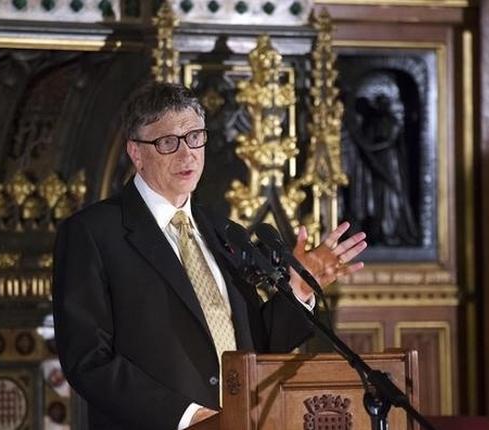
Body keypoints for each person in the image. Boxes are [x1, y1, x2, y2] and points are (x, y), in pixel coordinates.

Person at [52, 82, 367, 430]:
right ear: (136, 153)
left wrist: (299, 291)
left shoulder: (224, 231)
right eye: (167, 142)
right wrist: (188, 417)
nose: (187, 154)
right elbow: (88, 361)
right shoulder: (93, 233)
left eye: (195, 137)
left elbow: (255, 347)